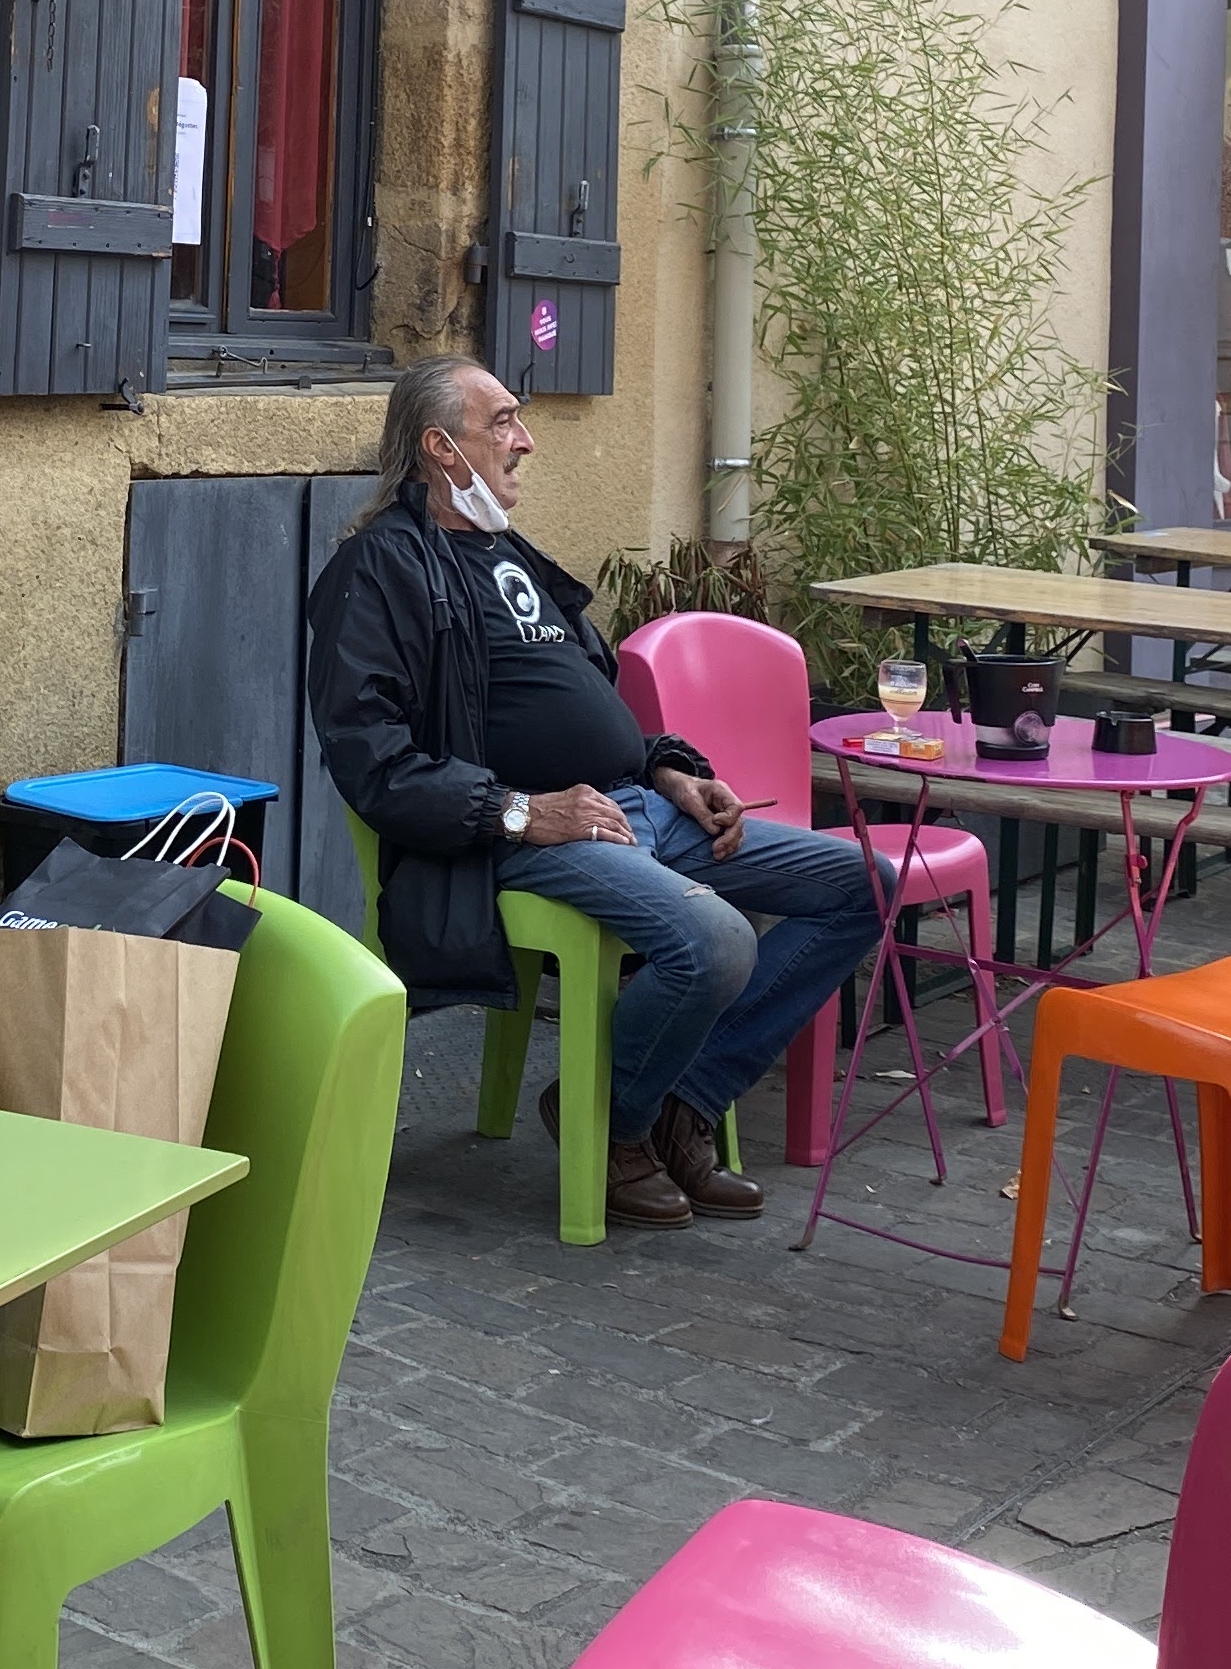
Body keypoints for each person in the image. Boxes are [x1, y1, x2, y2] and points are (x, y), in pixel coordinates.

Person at [307, 356, 886, 1229]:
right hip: (514, 839)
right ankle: (613, 1125)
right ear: (440, 448)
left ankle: (679, 1099)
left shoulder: (511, 554)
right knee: (717, 941)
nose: (526, 440)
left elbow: (590, 712)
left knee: (861, 884)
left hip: (631, 805)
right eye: (503, 421)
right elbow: (372, 763)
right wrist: (522, 813)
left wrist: (669, 769)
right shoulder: (380, 569)